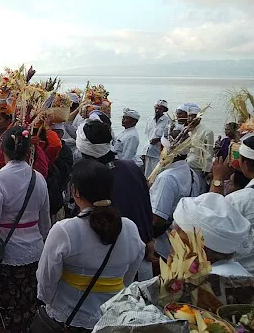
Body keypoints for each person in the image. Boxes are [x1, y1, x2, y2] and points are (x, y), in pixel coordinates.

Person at [35, 159, 145, 332]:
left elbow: (46, 279)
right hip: (109, 319)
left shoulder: (65, 230)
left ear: (75, 192)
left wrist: (48, 300)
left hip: (69, 316)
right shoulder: (130, 228)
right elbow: (128, 278)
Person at [0, 126, 50, 332]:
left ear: (3, 149)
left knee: (4, 308)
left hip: (7, 254)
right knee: (27, 305)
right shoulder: (39, 178)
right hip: (34, 251)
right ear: (30, 151)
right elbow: (45, 222)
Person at [75, 120, 155, 281]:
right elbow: (146, 206)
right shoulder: (131, 167)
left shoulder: (88, 178)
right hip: (141, 256)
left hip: (112, 269)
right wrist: (149, 238)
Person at [173, 193, 252, 277]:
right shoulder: (237, 271)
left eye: (179, 238)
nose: (172, 239)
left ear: (203, 248)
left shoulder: (202, 284)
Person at [150, 152, 203, 259]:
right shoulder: (192, 173)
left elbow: (158, 219)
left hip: (162, 247)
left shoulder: (167, 178)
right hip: (179, 243)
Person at [216, 134, 254, 273]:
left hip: (244, 275)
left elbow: (213, 229)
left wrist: (217, 179)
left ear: (246, 164)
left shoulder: (238, 200)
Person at [184, 104, 214, 177]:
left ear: (199, 118)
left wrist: (206, 169)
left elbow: (209, 152)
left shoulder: (207, 131)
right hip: (186, 165)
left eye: (192, 116)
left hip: (198, 167)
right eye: (188, 116)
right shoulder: (187, 131)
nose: (189, 119)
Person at [142, 100, 170, 177]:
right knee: (147, 174)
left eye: (160, 109)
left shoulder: (168, 121)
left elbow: (169, 137)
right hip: (148, 151)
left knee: (156, 175)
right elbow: (146, 136)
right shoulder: (150, 120)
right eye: (156, 108)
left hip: (158, 153)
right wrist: (143, 152)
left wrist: (158, 139)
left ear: (164, 110)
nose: (157, 111)